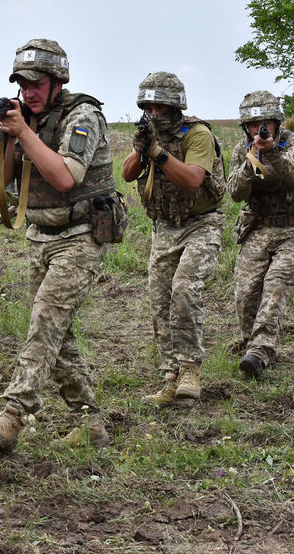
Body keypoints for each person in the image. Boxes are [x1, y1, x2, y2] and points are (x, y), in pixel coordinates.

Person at [0, 39, 118, 453]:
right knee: (57, 333)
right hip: (41, 236)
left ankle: (13, 415)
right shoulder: (27, 119)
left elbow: (65, 178)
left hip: (81, 235)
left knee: (44, 321)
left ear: (57, 81)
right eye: (22, 84)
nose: (28, 91)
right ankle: (90, 423)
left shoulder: (83, 116)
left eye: (36, 83)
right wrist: (10, 136)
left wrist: (24, 132)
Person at [121, 72, 226, 406]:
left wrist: (159, 154)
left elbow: (193, 180)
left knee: (184, 290)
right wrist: (141, 149)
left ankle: (190, 370)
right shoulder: (149, 135)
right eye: (147, 107)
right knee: (159, 303)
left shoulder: (197, 134)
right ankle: (171, 377)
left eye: (158, 106)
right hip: (165, 227)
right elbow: (127, 174)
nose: (152, 112)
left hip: (201, 224)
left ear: (174, 105)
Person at [227, 90, 294, 379]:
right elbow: (234, 192)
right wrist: (250, 161)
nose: (260, 130)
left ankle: (260, 351)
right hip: (258, 227)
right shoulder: (242, 150)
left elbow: (292, 173)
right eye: (254, 125)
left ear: (276, 122)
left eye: (265, 123)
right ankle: (252, 347)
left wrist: (272, 152)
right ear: (246, 127)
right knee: (245, 293)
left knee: (276, 282)